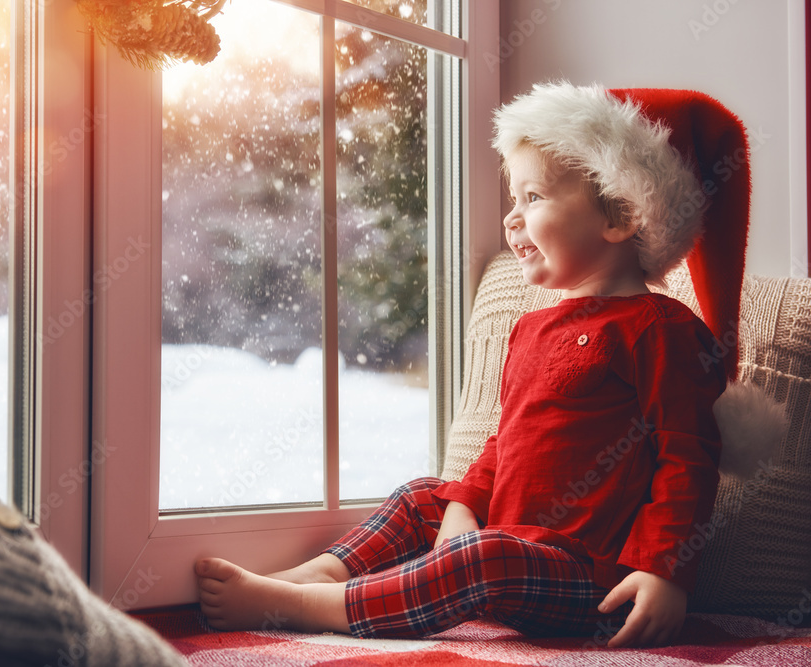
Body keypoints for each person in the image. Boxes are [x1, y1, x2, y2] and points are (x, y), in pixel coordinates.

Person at [195, 81, 756, 648]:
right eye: (513, 200)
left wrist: (664, 572)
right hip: (503, 542)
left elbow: (687, 456)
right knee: (422, 496)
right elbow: (505, 441)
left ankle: (312, 608)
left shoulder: (661, 329)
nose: (513, 219)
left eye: (533, 198)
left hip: (589, 578)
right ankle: (325, 572)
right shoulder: (532, 327)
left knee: (485, 558)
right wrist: (465, 504)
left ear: (620, 215)